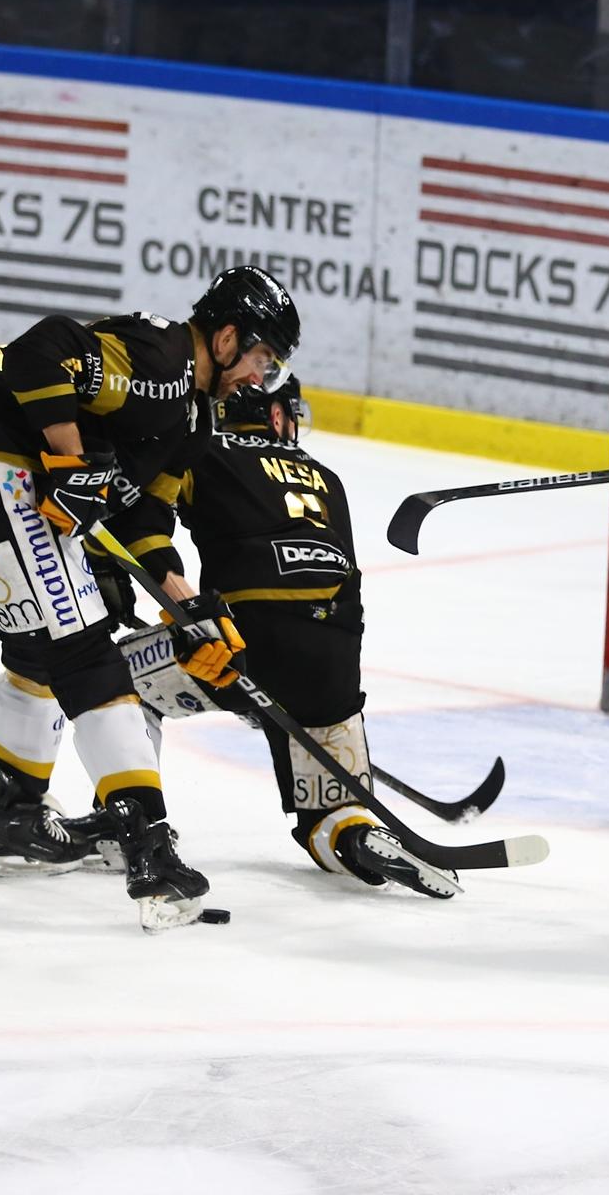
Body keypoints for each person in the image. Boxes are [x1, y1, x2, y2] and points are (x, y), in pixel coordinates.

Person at [0, 265, 297, 930]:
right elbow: (44, 348)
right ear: (227, 337)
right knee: (88, 660)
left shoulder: (192, 417)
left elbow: (141, 524)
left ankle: (14, 819)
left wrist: (191, 610)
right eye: (263, 356)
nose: (260, 375)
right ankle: (150, 856)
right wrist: (67, 459)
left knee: (39, 645)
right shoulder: (165, 360)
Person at [101, 374, 459, 898]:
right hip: (334, 657)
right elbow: (344, 577)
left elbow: (139, 519)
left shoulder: (203, 451)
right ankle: (356, 838)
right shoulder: (328, 477)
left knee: (110, 679)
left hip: (240, 647)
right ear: (275, 415)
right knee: (330, 816)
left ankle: (125, 830)